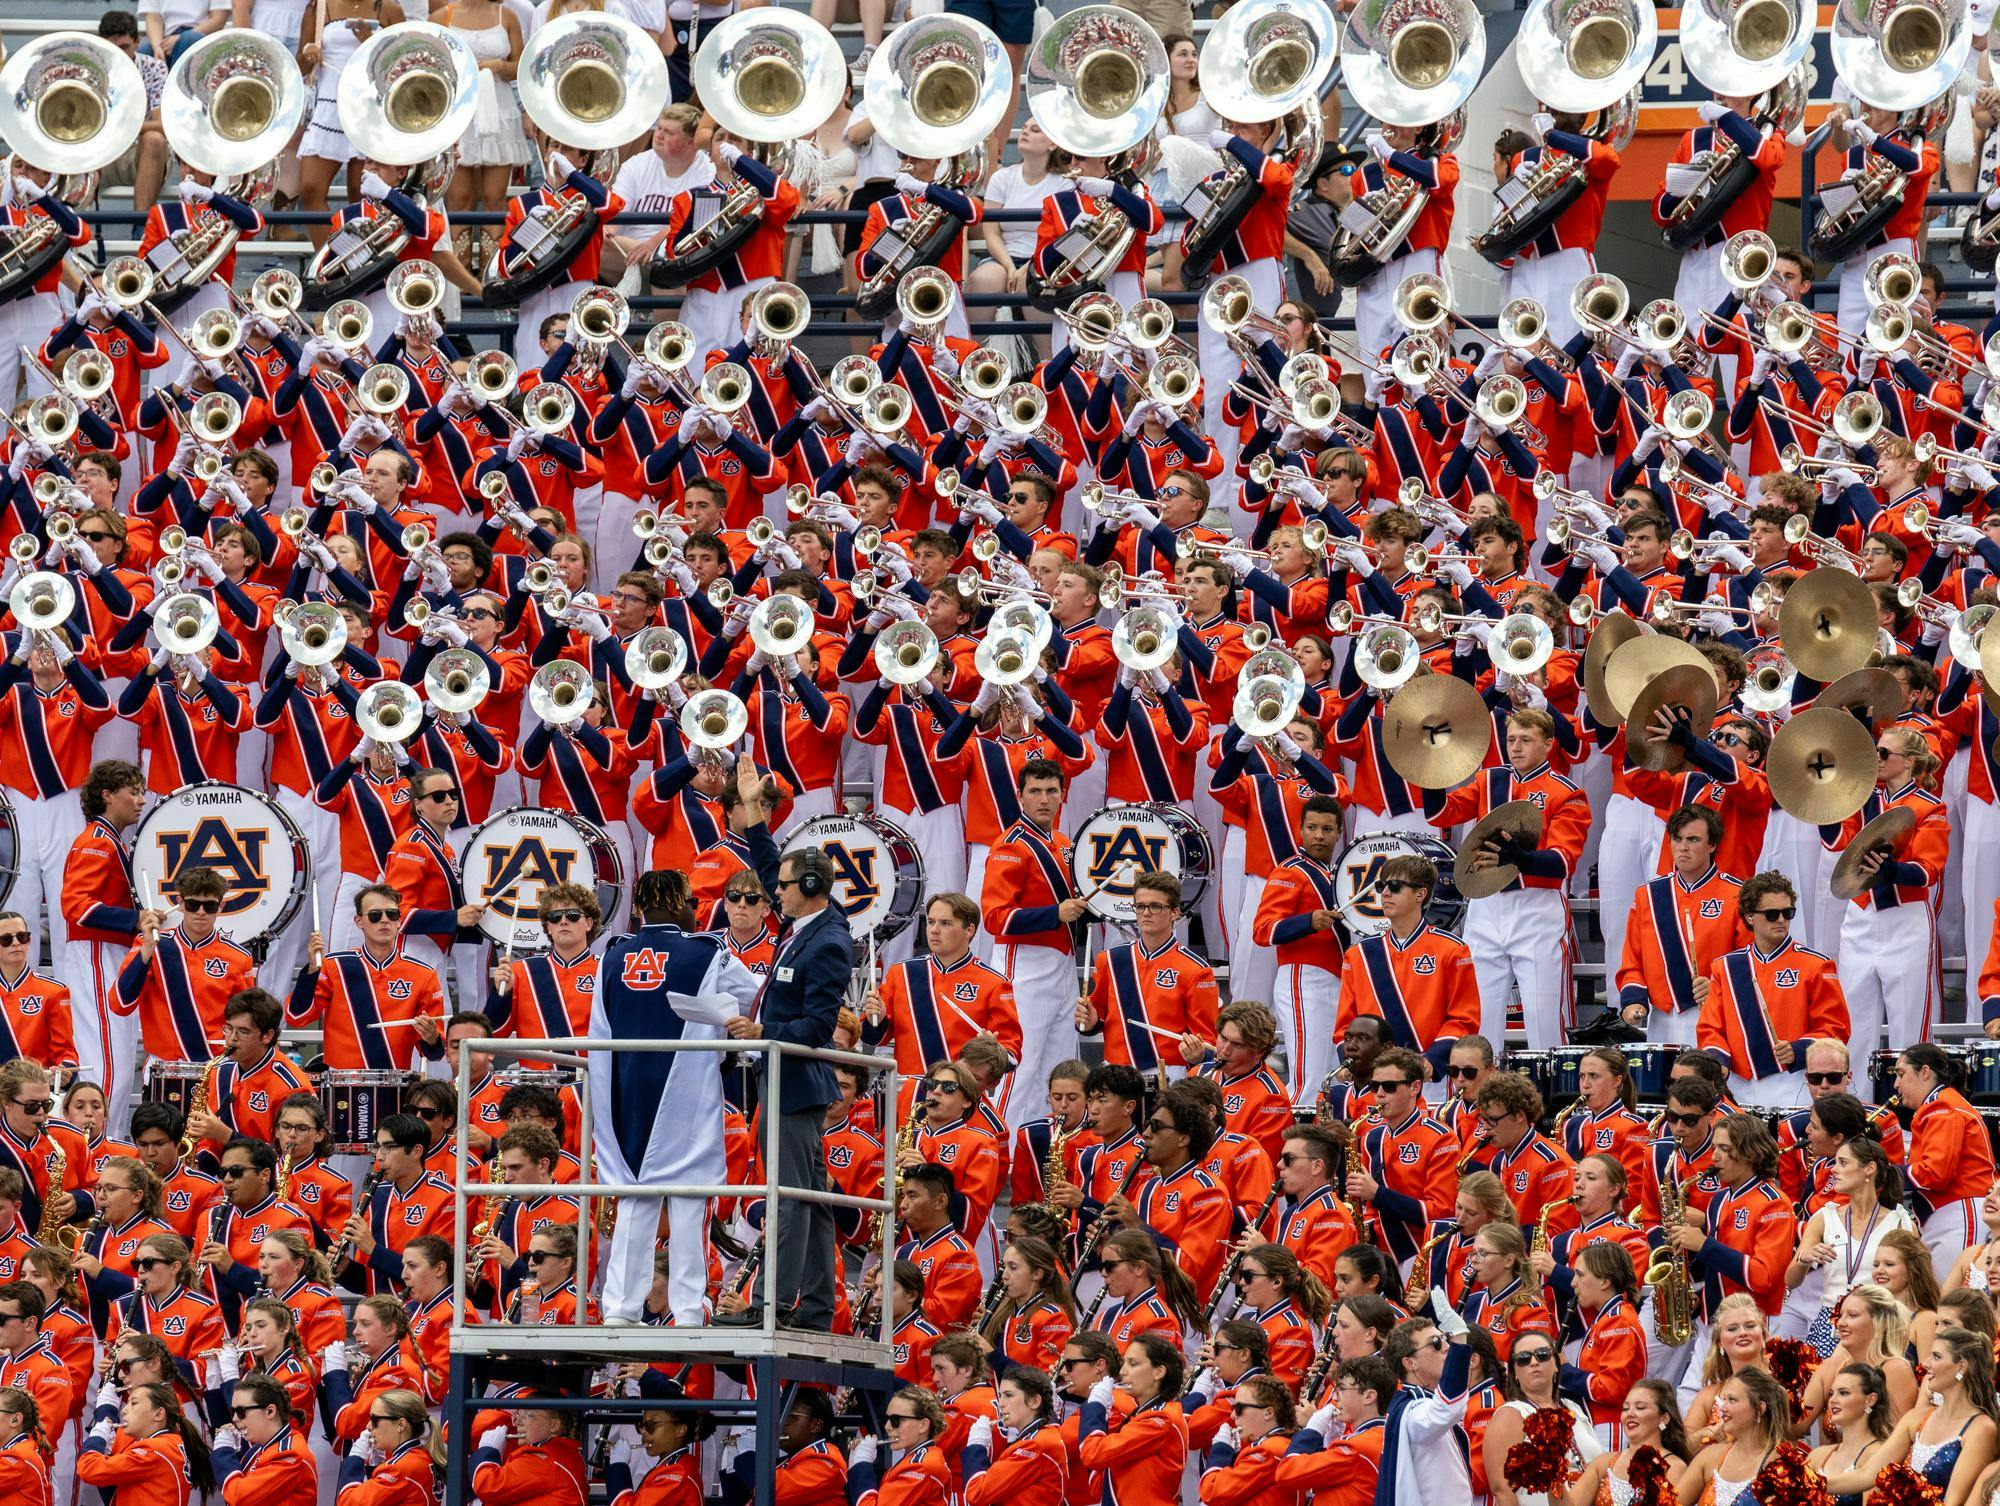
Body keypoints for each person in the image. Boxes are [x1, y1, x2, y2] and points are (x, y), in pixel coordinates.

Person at [587, 858, 761, 1329]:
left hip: (622, 1092)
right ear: (684, 905)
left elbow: (597, 1027)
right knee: (689, 1200)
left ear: (640, 909)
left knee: (634, 1200)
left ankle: (619, 1310)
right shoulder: (709, 953)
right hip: (684, 1092)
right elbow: (757, 999)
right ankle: (687, 1309)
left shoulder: (611, 955)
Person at [722, 760, 853, 1331]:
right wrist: (752, 809)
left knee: (791, 1197)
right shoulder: (809, 921)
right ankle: (818, 1308)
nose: (772, 893)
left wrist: (762, 1033)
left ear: (809, 890)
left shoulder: (826, 941)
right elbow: (772, 864)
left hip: (796, 1083)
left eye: (781, 889)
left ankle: (773, 1304)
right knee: (813, 1200)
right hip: (786, 1081)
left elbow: (819, 1029)